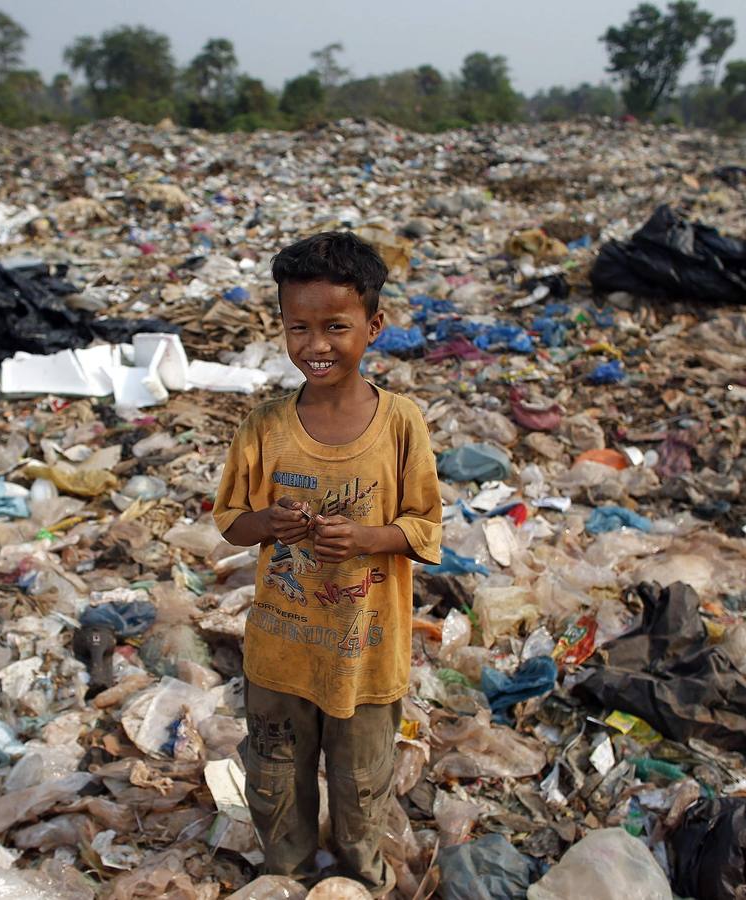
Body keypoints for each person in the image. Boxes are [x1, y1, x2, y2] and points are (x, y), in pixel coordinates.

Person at [213, 231, 442, 894]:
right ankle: (284, 878)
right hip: (281, 655)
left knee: (361, 792)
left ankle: (359, 880)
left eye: (336, 326)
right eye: (299, 328)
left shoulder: (401, 423)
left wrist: (367, 539)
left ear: (373, 326)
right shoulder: (264, 426)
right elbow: (231, 523)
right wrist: (272, 526)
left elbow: (426, 528)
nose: (316, 346)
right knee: (276, 786)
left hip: (366, 658)